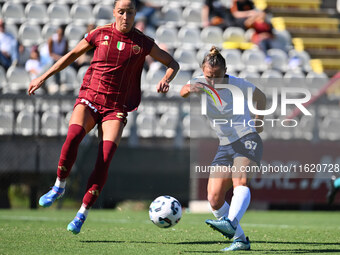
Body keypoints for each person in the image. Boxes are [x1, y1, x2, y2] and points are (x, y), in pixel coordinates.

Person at [28, 0, 179, 235]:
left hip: (116, 107)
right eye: (121, 12)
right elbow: (70, 55)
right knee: (74, 135)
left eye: (130, 12)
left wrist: (166, 79)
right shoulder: (99, 34)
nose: (125, 16)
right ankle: (59, 185)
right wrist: (43, 77)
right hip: (90, 98)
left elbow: (172, 63)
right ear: (114, 13)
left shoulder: (143, 42)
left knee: (105, 157)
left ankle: (82, 214)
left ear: (135, 13)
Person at [180, 46, 266, 251]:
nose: (213, 81)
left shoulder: (237, 84)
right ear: (203, 71)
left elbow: (261, 97)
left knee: (240, 180)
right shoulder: (200, 82)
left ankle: (231, 222)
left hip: (246, 137)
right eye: (209, 76)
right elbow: (183, 91)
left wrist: (259, 121)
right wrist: (190, 89)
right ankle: (240, 240)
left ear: (225, 70)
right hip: (225, 144)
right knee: (214, 198)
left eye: (217, 76)